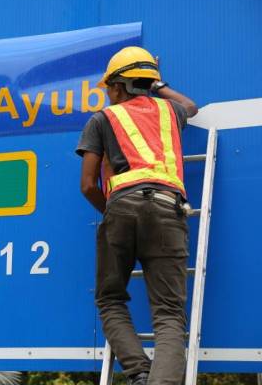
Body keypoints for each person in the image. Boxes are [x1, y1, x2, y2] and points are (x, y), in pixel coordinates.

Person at [76, 47, 198, 385]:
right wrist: (157, 84)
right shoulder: (170, 112)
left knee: (110, 298)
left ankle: (139, 373)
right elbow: (191, 106)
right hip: (168, 208)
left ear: (118, 86)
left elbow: (87, 185)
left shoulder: (103, 118)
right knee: (170, 315)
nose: (107, 94)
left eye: (109, 88)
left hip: (121, 207)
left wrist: (113, 212)